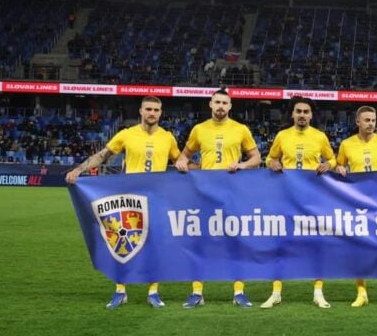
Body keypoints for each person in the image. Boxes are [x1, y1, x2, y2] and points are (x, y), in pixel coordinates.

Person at [66, 96, 180, 309]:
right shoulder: (126, 135)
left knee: (155, 247)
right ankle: (120, 291)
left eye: (156, 109)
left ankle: (153, 292)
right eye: (148, 109)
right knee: (122, 242)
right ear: (141, 111)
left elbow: (181, 160)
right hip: (129, 199)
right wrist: (79, 170)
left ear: (161, 113)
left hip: (156, 199)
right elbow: (103, 155)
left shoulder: (168, 138)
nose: (152, 113)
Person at [175, 89, 262, 308]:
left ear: (230, 106)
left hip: (232, 192)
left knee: (235, 242)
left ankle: (239, 292)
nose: (221, 106)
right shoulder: (199, 129)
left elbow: (257, 158)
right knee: (200, 242)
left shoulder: (240, 129)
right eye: (217, 102)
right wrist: (184, 163)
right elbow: (184, 155)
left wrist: (241, 165)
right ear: (210, 104)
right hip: (204, 193)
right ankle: (197, 293)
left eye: (225, 102)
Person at [262, 97, 336, 309]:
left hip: (313, 198)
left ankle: (318, 292)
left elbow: (332, 159)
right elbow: (269, 159)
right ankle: (276, 292)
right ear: (293, 114)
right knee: (282, 245)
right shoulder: (282, 136)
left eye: (306, 111)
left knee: (316, 245)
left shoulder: (320, 137)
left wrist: (328, 165)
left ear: (311, 115)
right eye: (299, 111)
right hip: (287, 197)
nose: (302, 115)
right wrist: (272, 162)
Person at [334, 105, 377, 308]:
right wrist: (339, 167)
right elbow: (339, 165)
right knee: (359, 248)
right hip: (357, 202)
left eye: (373, 120)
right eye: (367, 120)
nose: (371, 123)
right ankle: (361, 292)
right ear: (358, 122)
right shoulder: (346, 144)